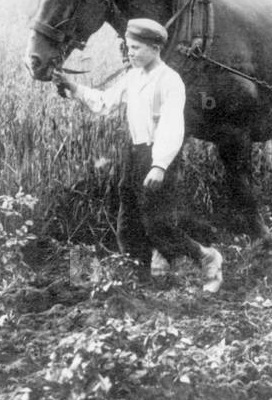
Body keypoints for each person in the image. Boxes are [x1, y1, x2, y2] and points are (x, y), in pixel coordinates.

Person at [52, 18, 222, 292]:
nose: (130, 53)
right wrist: (73, 87)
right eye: (128, 47)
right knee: (127, 223)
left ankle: (207, 257)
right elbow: (105, 102)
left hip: (158, 157)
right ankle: (140, 282)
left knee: (158, 226)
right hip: (133, 153)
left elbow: (171, 125)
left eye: (136, 48)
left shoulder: (170, 81)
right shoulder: (133, 76)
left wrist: (159, 165)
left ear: (155, 48)